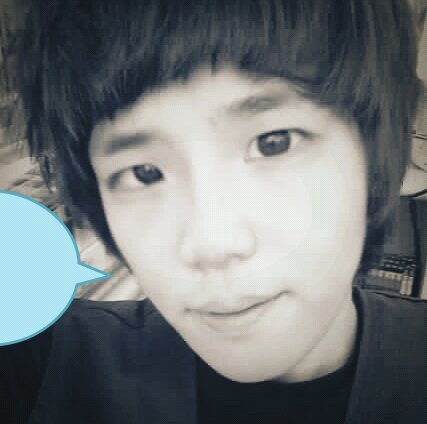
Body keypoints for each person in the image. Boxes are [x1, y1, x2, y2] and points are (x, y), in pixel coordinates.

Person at [1, 0, 426, 423]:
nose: (212, 244)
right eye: (144, 173)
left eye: (274, 143)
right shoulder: (51, 368)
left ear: (372, 155)